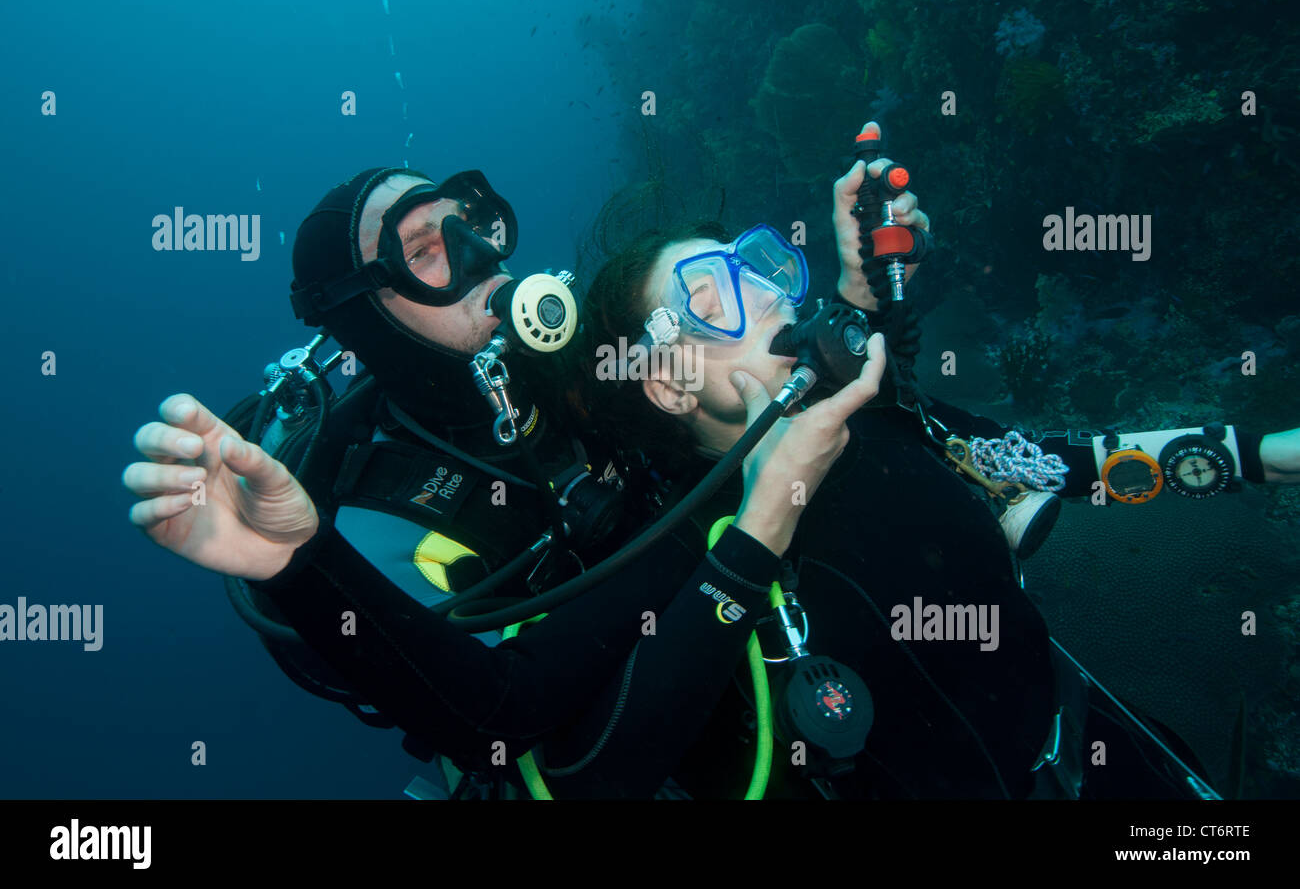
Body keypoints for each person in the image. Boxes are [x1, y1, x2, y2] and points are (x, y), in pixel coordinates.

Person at [550, 130, 1300, 799]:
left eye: (757, 268)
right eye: (713, 299)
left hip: (1096, 754)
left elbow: (1065, 463)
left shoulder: (888, 423)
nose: (768, 294)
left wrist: (1265, 457)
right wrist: (757, 536)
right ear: (668, 383)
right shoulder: (693, 559)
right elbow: (598, 770)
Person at [122, 165, 877, 796]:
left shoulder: (567, 353)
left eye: (469, 222)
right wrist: (301, 563)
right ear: (367, 318)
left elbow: (732, 382)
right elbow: (501, 720)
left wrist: (848, 323)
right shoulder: (385, 513)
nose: (476, 251)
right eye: (424, 249)